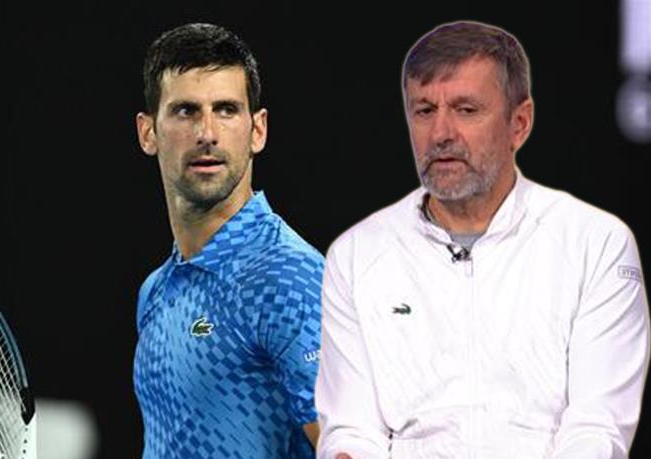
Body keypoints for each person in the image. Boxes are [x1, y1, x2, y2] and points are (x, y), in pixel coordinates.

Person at [315, 20, 650, 459]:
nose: (441, 134)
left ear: (520, 123)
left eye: (466, 109)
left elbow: (596, 430)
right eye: (424, 110)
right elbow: (351, 431)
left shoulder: (596, 244)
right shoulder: (357, 255)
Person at [133, 23, 323, 458]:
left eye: (226, 110)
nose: (207, 133)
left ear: (258, 130)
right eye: (185, 111)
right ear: (148, 133)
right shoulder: (155, 292)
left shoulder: (288, 278)